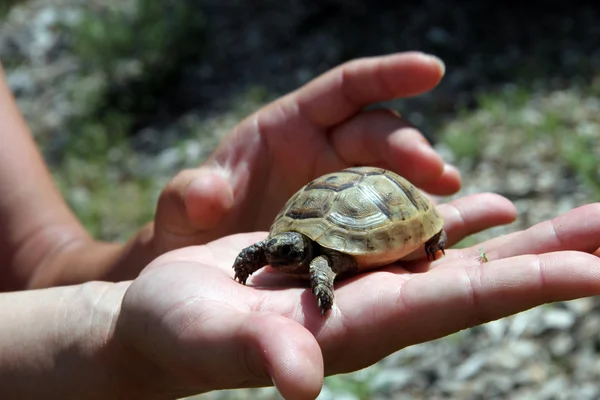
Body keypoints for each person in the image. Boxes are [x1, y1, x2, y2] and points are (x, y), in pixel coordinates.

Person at [0, 52, 598, 399]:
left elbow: (37, 262)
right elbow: (287, 253)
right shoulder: (294, 252)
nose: (274, 255)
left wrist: (129, 283)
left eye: (278, 251)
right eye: (276, 251)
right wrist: (111, 334)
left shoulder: (303, 250)